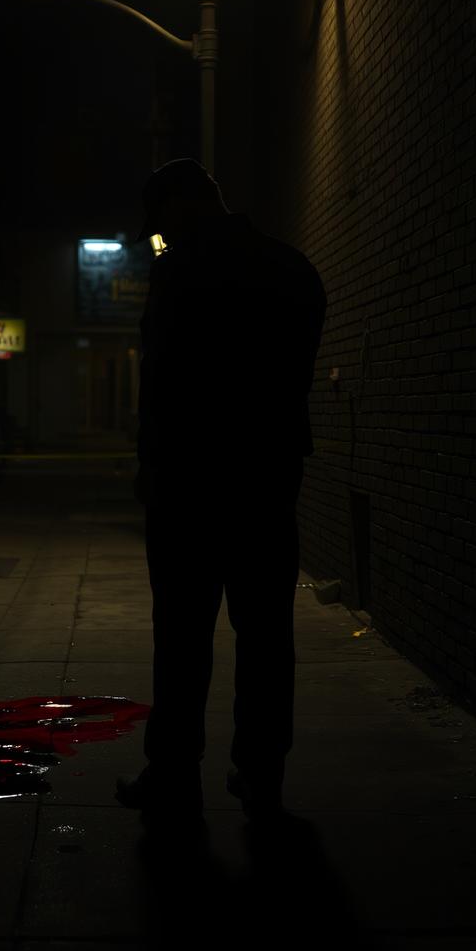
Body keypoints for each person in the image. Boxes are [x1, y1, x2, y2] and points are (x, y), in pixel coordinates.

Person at [116, 158, 327, 824]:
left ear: (176, 208)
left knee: (182, 636)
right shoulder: (293, 268)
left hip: (190, 484)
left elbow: (164, 385)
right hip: (267, 481)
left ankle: (174, 771)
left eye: (158, 222)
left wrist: (152, 465)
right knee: (266, 635)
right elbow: (294, 382)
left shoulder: (179, 272)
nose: (157, 235)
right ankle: (262, 773)